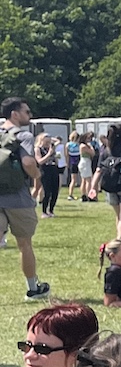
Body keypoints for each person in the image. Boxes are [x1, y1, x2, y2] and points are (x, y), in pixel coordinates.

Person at [0, 97, 51, 299]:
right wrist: (37, 175)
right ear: (15, 114)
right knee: (24, 244)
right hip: (18, 198)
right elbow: (29, 163)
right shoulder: (24, 135)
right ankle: (33, 288)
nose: (30, 115)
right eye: (27, 112)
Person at [34, 129, 62, 217]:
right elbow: (40, 161)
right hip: (45, 170)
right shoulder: (38, 149)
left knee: (55, 191)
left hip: (54, 169)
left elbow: (58, 141)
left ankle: (51, 210)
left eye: (49, 142)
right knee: (47, 191)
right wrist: (49, 154)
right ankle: (44, 212)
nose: (48, 144)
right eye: (46, 142)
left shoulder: (51, 148)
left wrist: (55, 157)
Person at [78, 131, 98, 200]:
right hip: (85, 163)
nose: (89, 140)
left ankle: (84, 195)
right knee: (88, 180)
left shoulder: (83, 145)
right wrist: (91, 146)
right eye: (88, 138)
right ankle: (90, 196)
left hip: (85, 162)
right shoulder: (83, 146)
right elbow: (92, 153)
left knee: (84, 180)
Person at [65, 130, 81, 199]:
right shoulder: (79, 145)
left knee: (73, 180)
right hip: (79, 162)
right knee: (81, 179)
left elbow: (67, 155)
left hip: (72, 163)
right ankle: (83, 194)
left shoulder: (68, 145)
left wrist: (67, 163)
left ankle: (70, 194)